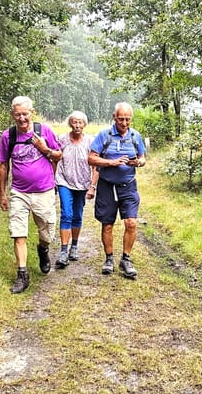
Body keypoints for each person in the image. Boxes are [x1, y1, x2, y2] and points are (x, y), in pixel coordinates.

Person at [0, 96, 62, 294]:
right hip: (19, 193)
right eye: (18, 115)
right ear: (12, 115)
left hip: (44, 191)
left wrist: (45, 149)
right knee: (18, 233)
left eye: (25, 114)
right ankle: (22, 274)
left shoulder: (44, 131)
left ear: (31, 113)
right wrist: (2, 194)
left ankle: (43, 250)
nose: (22, 118)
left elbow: (59, 155)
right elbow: (3, 165)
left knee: (47, 232)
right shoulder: (8, 136)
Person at [88, 102, 147, 279]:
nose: (124, 123)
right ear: (114, 117)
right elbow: (91, 158)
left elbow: (143, 157)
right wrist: (111, 163)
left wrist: (138, 162)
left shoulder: (136, 136)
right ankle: (109, 258)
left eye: (127, 119)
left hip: (128, 185)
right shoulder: (104, 136)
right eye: (121, 119)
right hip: (107, 185)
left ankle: (126, 259)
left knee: (131, 223)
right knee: (107, 224)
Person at [54, 111, 98, 269]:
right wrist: (53, 179)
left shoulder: (90, 141)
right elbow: (55, 157)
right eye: (74, 122)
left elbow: (95, 165)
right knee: (66, 213)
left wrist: (92, 186)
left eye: (80, 123)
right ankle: (63, 251)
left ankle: (74, 246)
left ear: (85, 124)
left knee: (77, 214)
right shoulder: (62, 139)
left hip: (82, 183)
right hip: (64, 181)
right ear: (70, 124)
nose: (77, 125)